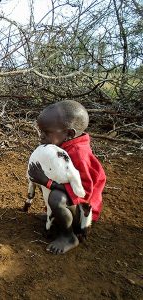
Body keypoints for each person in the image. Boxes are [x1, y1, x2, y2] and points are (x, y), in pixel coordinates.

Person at [28, 100, 106, 254]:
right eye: (40, 131)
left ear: (69, 133)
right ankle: (57, 217)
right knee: (56, 195)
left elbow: (82, 193)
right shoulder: (62, 145)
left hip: (83, 213)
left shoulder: (79, 154)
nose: (41, 136)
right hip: (74, 203)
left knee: (57, 198)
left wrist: (47, 182)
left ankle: (69, 236)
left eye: (47, 132)